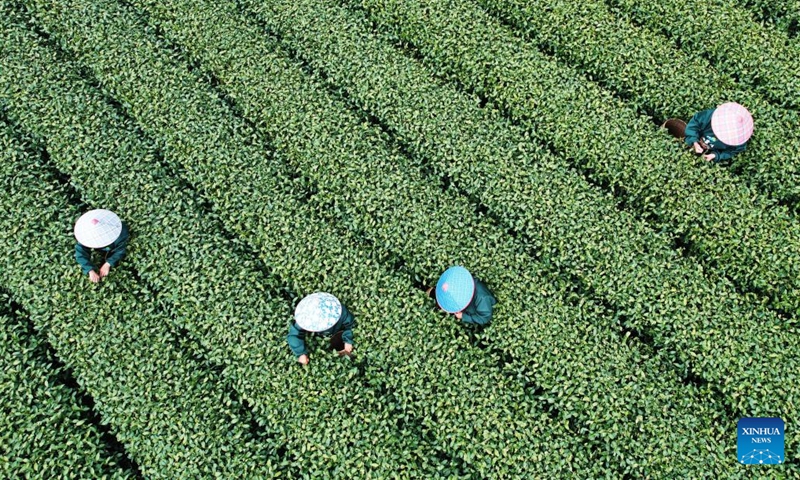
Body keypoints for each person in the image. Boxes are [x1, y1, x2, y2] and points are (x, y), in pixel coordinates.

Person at [665, 102, 753, 163]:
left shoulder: (738, 141)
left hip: (708, 151)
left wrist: (715, 156)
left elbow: (731, 152)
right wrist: (694, 142)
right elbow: (695, 124)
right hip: (695, 139)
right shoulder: (709, 116)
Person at [287, 292, 355, 365]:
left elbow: (351, 325)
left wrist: (348, 340)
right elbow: (294, 335)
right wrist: (301, 354)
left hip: (337, 329)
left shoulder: (341, 313)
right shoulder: (306, 316)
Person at [74, 209, 129, 284]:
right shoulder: (86, 234)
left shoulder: (120, 231)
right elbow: (80, 253)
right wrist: (90, 271)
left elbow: (121, 250)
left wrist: (108, 264)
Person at [427, 266, 496, 325]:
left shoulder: (482, 298)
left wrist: (463, 316)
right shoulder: (461, 282)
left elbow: (484, 318)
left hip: (474, 312)